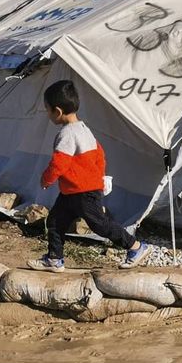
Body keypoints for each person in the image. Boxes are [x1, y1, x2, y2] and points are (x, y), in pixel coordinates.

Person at [28, 80, 152, 272]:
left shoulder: (67, 134)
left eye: (47, 109)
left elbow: (59, 163)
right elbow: (100, 155)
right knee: (55, 221)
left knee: (100, 225)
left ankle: (136, 247)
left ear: (58, 111)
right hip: (72, 191)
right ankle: (54, 258)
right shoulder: (84, 130)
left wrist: (46, 179)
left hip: (84, 192)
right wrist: (101, 176)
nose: (47, 113)